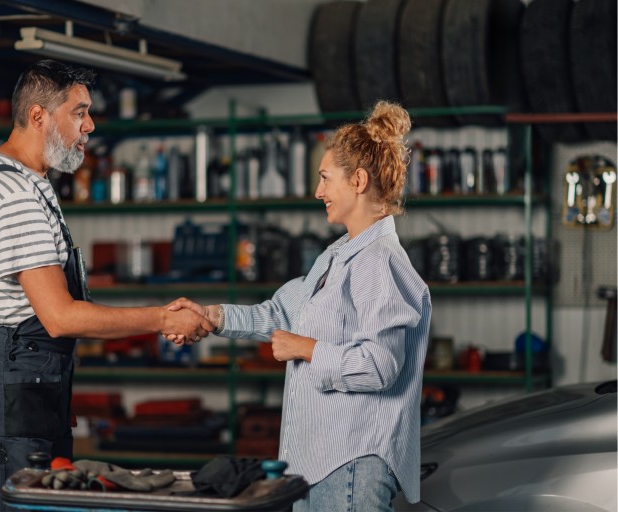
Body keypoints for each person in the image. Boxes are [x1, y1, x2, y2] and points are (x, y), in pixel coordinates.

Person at [0, 60, 214, 512]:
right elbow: (60, 316)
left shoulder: (31, 182)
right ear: (38, 117)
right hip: (11, 394)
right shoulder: (14, 196)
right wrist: (160, 318)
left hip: (30, 389)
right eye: (79, 112)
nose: (89, 125)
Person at [167, 101, 431, 511]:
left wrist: (304, 349)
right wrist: (212, 316)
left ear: (358, 180)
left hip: (352, 466)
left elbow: (380, 365)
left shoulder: (378, 262)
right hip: (319, 463)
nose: (318, 191)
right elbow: (279, 313)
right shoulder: (338, 256)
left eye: (326, 179)